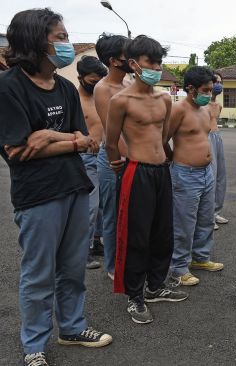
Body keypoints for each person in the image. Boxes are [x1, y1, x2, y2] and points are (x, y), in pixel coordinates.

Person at [0, 9, 113, 365]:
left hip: (75, 186)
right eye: (60, 38)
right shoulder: (8, 88)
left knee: (73, 265)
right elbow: (17, 150)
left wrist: (49, 135)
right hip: (38, 195)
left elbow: (88, 141)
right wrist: (73, 141)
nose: (66, 44)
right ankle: (34, 345)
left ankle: (72, 327)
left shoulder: (64, 87)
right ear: (36, 41)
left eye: (66, 36)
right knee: (38, 272)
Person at [106, 35, 188, 325]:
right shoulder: (121, 100)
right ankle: (135, 296)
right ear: (133, 64)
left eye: (158, 61)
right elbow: (111, 141)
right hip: (136, 171)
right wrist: (117, 165)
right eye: (150, 61)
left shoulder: (164, 98)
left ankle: (155, 286)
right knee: (136, 236)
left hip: (160, 171)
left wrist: (167, 158)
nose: (155, 66)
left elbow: (163, 137)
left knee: (163, 232)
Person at [167, 66, 224, 287]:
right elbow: (164, 138)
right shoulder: (178, 109)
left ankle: (201, 257)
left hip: (206, 172)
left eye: (211, 90)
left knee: (206, 218)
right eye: (205, 89)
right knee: (184, 223)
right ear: (190, 89)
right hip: (185, 174)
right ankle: (179, 267)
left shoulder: (206, 110)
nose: (209, 94)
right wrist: (175, 159)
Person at [94, 32, 132, 280]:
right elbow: (113, 134)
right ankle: (112, 266)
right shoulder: (103, 88)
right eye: (128, 52)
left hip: (134, 158)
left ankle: (129, 259)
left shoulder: (129, 84)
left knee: (131, 214)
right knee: (112, 215)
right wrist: (123, 161)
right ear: (113, 60)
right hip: (113, 159)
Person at [76, 56, 108, 270]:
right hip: (85, 158)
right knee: (90, 207)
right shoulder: (73, 99)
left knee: (104, 207)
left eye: (99, 80)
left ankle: (97, 241)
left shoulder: (102, 96)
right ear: (80, 78)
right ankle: (82, 251)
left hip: (106, 156)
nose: (96, 84)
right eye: (92, 80)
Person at [206, 70, 229, 230]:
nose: (218, 85)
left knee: (221, 176)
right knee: (211, 177)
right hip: (206, 138)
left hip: (217, 137)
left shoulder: (218, 105)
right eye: (215, 82)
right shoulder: (202, 103)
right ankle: (207, 217)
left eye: (220, 82)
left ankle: (215, 212)